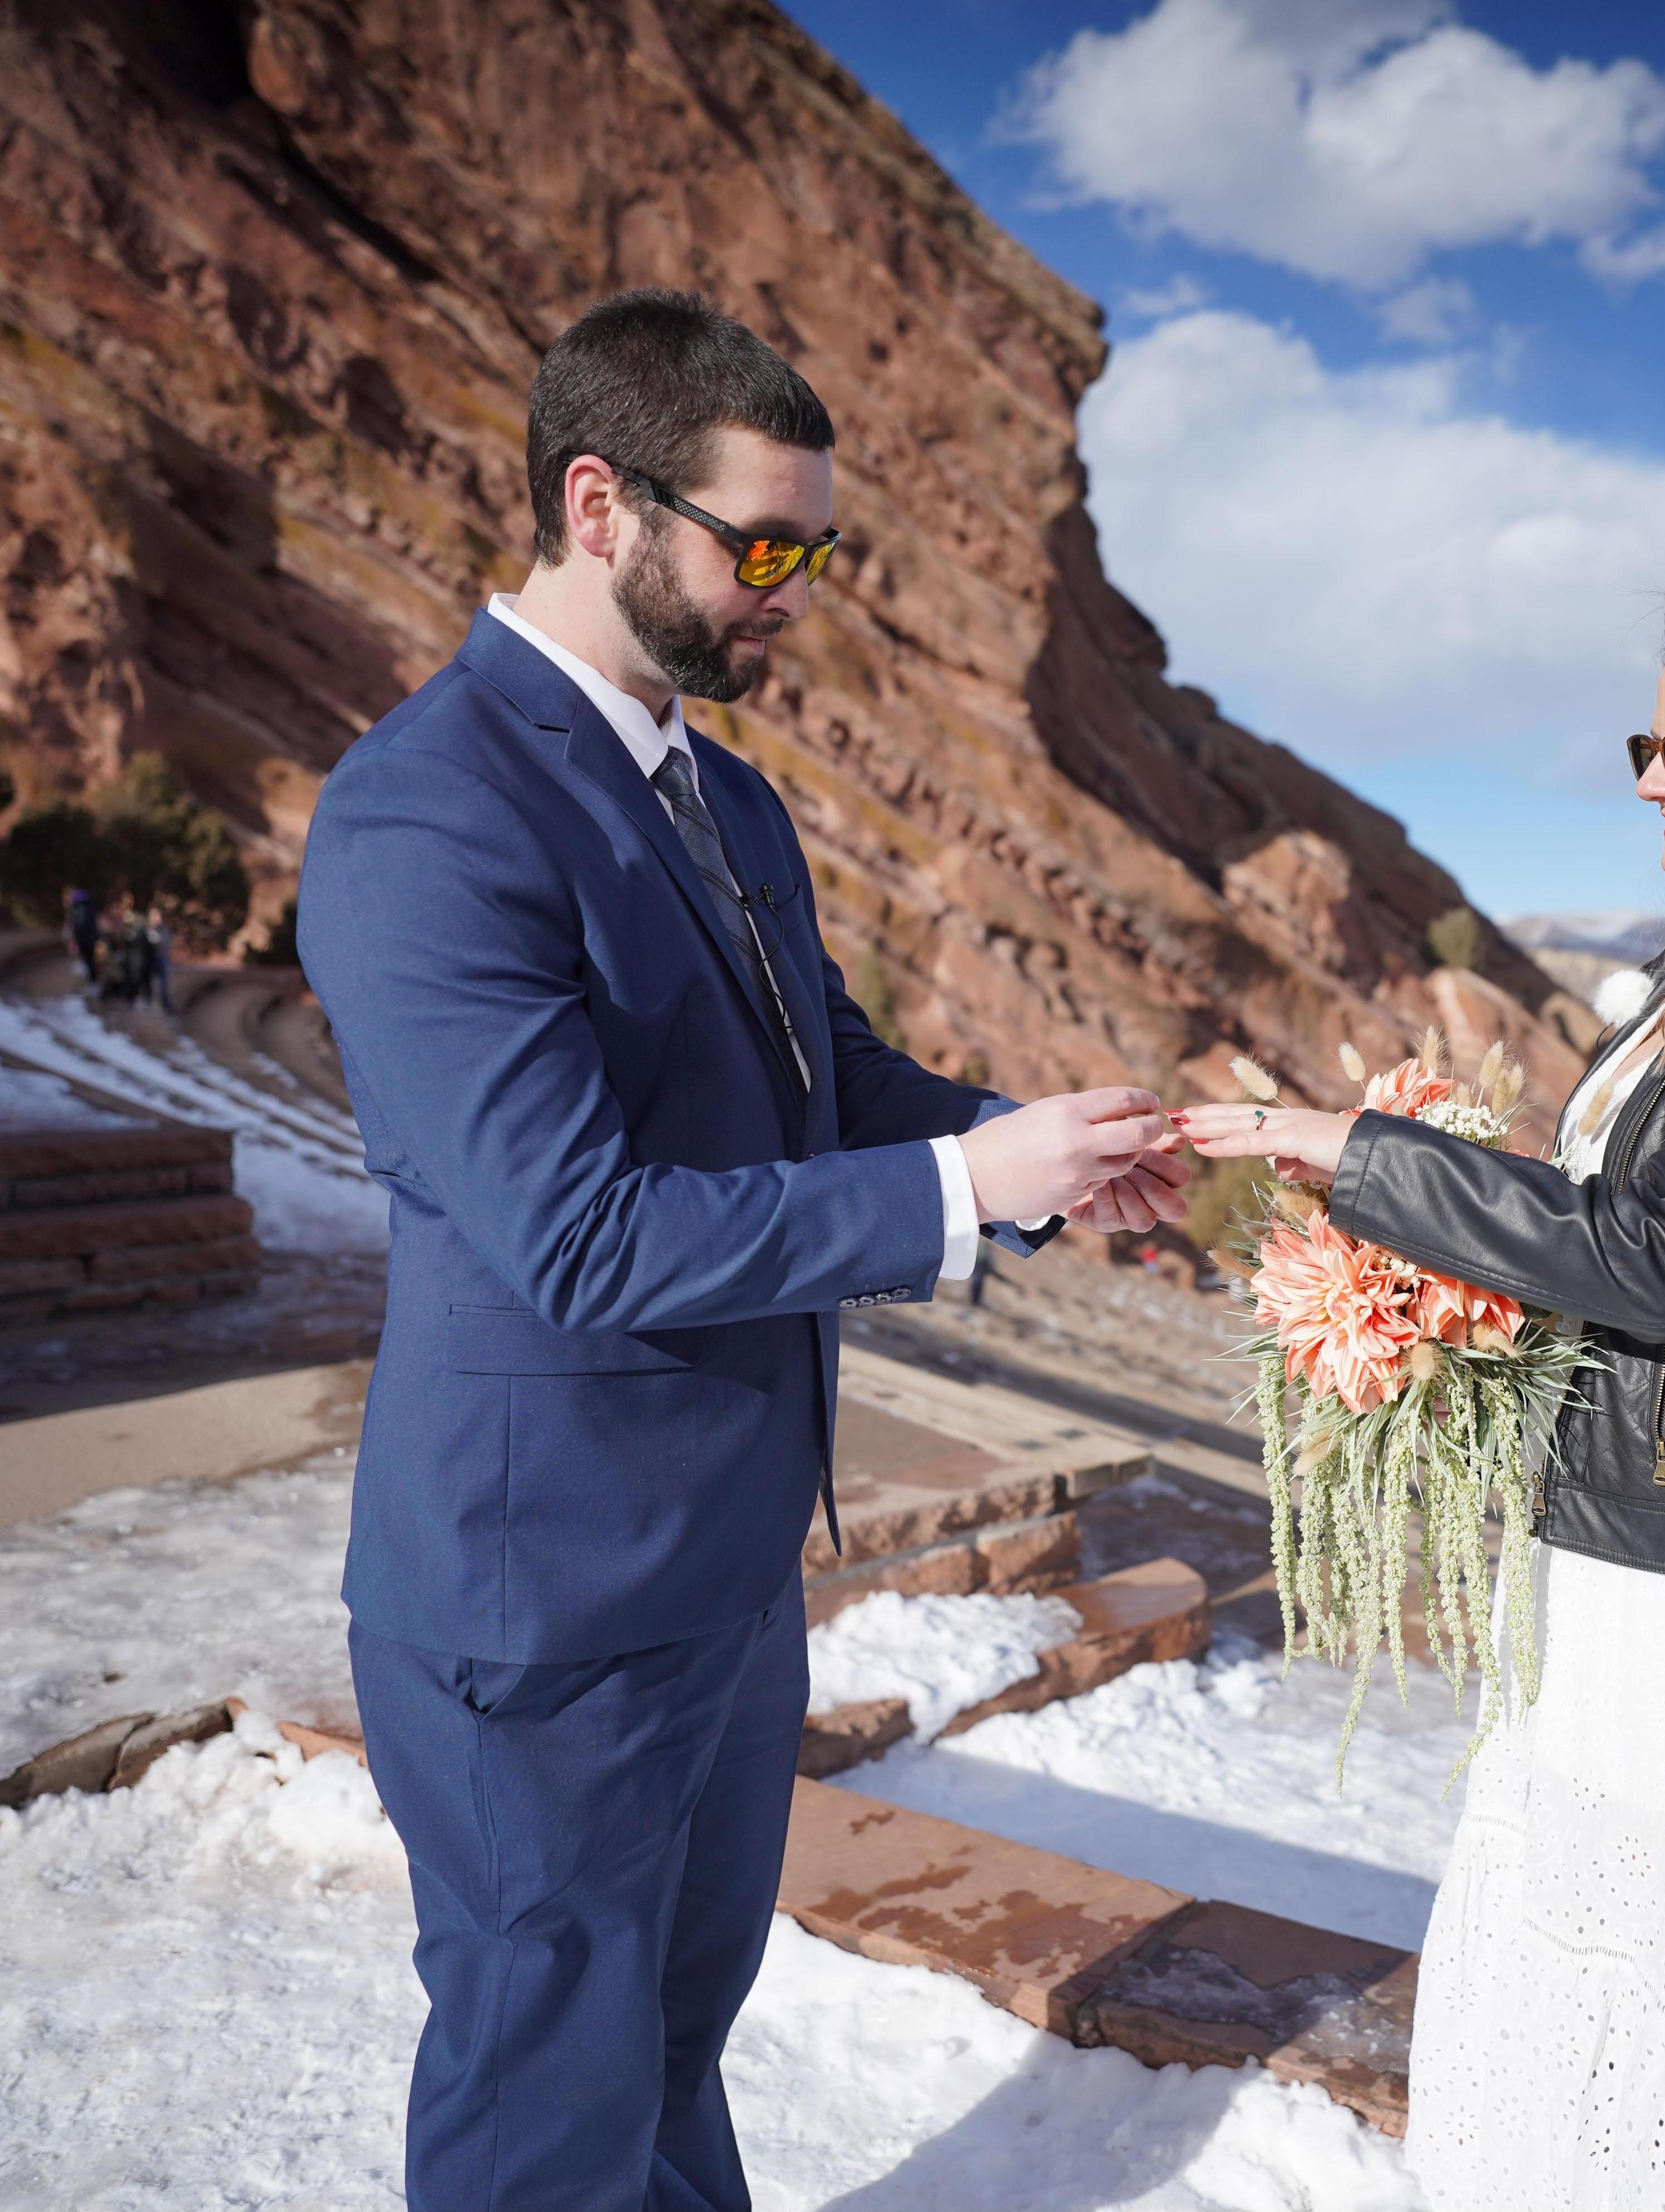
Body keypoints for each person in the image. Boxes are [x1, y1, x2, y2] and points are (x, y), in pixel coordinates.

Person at [298, 289, 1187, 2212]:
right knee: (546, 2100)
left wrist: (1023, 1153)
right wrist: (958, 1196)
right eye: (763, 544)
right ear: (599, 503)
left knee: (674, 2048)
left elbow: (826, 1081)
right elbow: (578, 1230)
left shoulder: (730, 798)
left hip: (722, 1579)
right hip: (535, 1610)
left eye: (819, 551)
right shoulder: (424, 813)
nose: (796, 590)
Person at [1177, 581, 1665, 2212]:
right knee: (1578, 1954)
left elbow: (1663, 1252)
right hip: (1634, 1541)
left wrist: (1360, 1160)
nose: (1646, 778)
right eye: (1643, 740)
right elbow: (1605, 1220)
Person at [143, 905, 175, 1013]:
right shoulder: (145, 930)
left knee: (163, 984)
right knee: (148, 983)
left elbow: (166, 943)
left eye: (158, 915)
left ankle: (166, 1005)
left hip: (162, 958)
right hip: (148, 960)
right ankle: (149, 1002)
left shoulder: (164, 930)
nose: (156, 918)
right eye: (153, 915)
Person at [64, 887, 99, 984]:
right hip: (90, 938)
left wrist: (76, 936)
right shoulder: (90, 907)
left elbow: (80, 925)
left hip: (85, 939)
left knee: (89, 960)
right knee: (90, 959)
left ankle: (93, 980)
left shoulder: (80, 909)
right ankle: (92, 979)